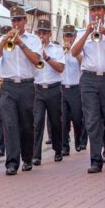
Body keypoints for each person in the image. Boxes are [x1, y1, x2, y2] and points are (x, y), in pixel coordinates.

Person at [71, 0, 105, 173]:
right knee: (92, 120)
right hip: (88, 78)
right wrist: (87, 33)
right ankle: (95, 160)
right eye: (93, 10)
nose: (96, 13)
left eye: (99, 9)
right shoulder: (83, 31)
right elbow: (74, 52)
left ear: (104, 11)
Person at [0, 6, 43, 176]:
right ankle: (12, 162)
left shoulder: (33, 39)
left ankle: (27, 158)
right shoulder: (4, 39)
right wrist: (5, 40)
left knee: (27, 125)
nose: (16, 23)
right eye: (14, 20)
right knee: (10, 124)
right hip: (8, 86)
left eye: (19, 19)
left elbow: (36, 60)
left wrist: (21, 44)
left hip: (27, 85)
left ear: (25, 21)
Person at [33, 19, 65, 165]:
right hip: (38, 89)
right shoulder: (32, 48)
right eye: (39, 33)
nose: (41, 36)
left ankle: (58, 150)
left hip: (53, 88)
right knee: (37, 122)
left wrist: (46, 57)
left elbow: (60, 68)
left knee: (55, 122)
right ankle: (36, 155)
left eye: (44, 33)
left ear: (50, 34)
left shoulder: (57, 49)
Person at [61, 24, 85, 155]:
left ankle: (78, 141)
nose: (68, 38)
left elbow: (83, 63)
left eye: (71, 35)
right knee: (63, 120)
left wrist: (73, 51)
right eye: (66, 35)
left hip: (76, 88)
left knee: (77, 118)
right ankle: (65, 146)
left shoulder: (79, 50)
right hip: (63, 88)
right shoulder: (59, 51)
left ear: (75, 37)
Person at [0, 25, 12, 157]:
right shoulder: (0, 45)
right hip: (0, 85)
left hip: (12, 84)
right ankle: (0, 147)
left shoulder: (15, 45)